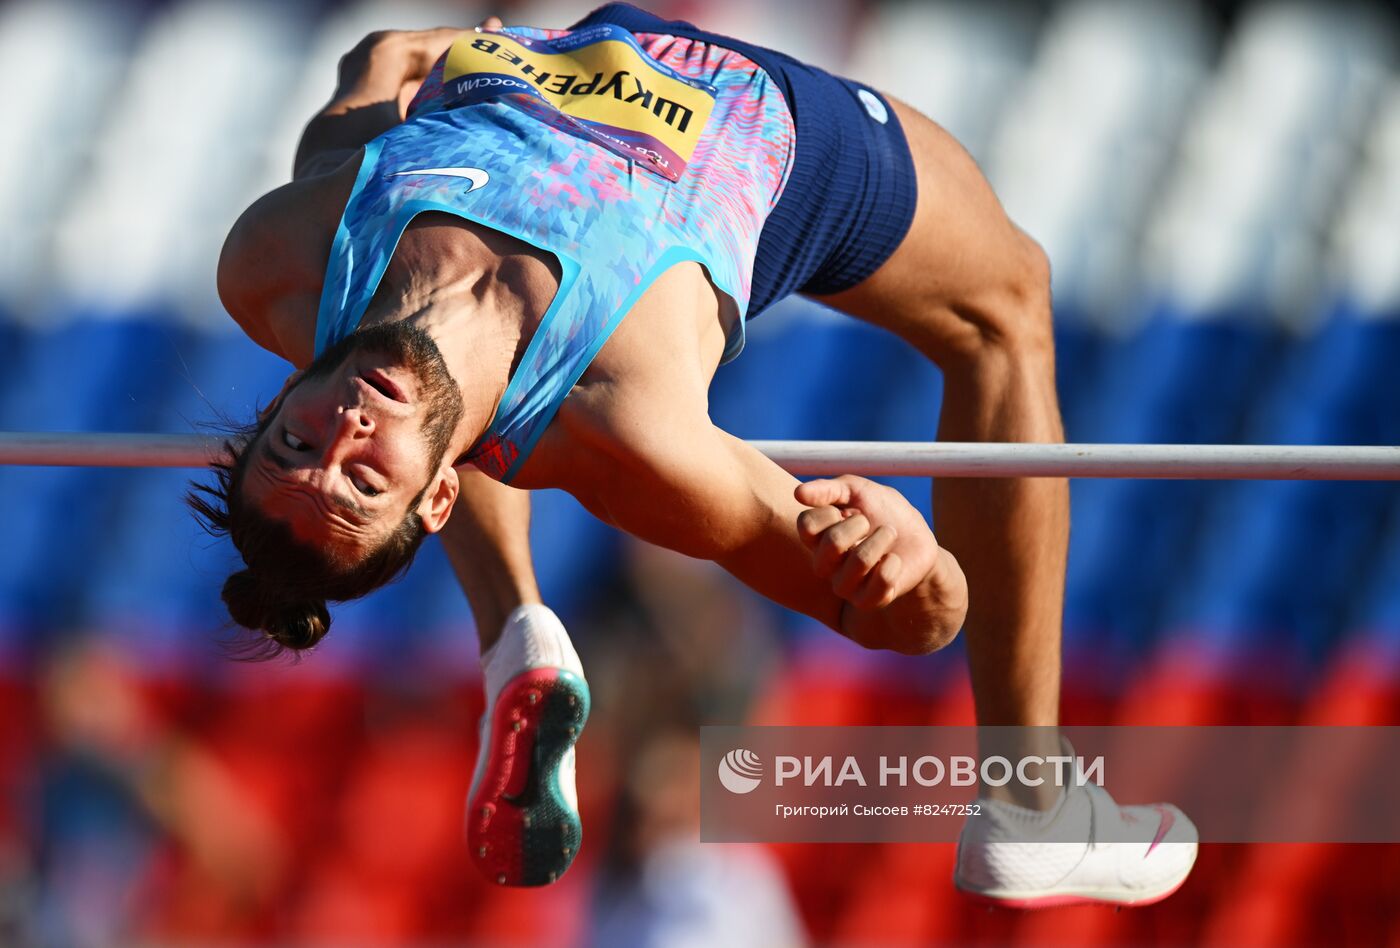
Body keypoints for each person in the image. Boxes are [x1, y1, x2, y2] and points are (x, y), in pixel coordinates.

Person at [200, 3, 1197, 901]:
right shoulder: (632, 427)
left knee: (438, 383)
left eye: (297, 440)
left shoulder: (277, 263)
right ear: (433, 502)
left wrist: (374, 66)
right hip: (767, 129)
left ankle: (515, 629)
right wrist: (913, 558)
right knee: (1005, 305)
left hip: (569, 52)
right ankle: (1029, 800)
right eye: (365, 478)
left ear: (287, 389)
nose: (346, 430)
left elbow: (345, 135)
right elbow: (910, 619)